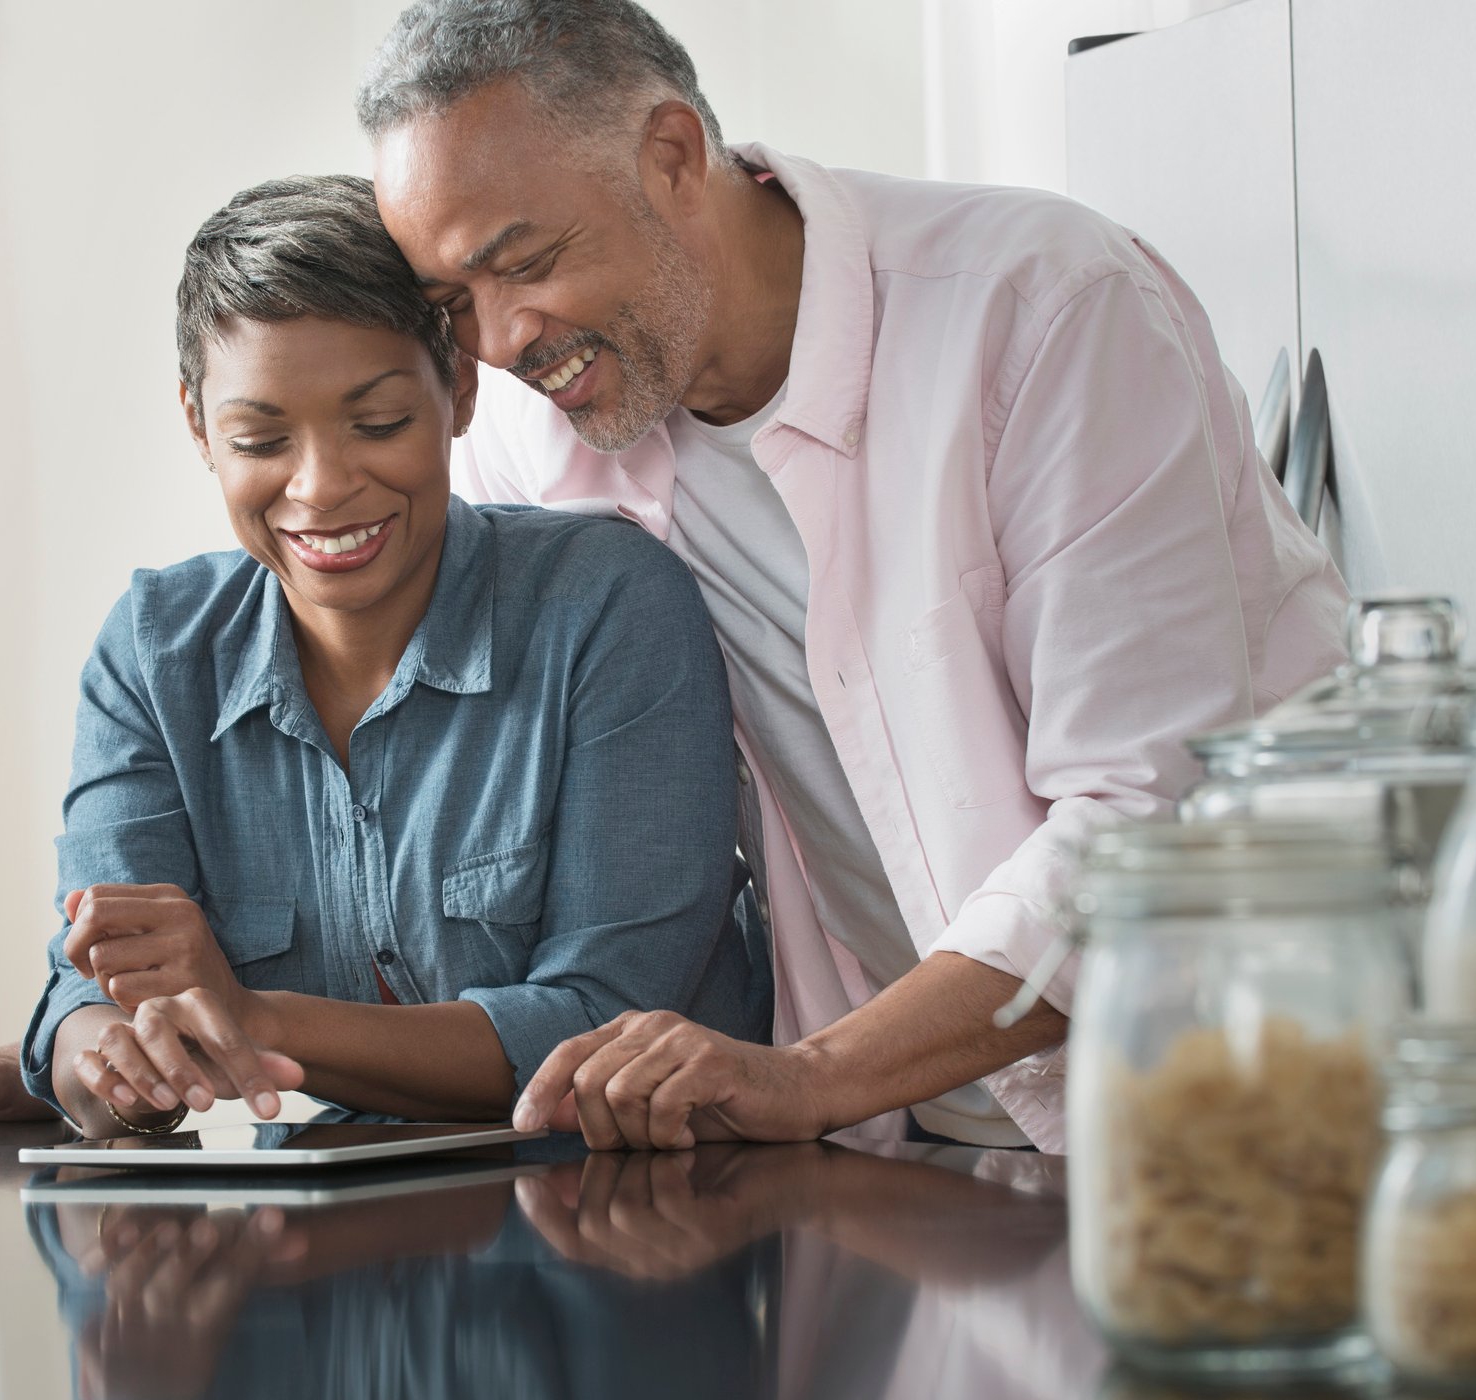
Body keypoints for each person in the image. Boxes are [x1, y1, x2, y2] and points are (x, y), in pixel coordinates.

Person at [355, 0, 1350, 1153]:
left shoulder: (1043, 309)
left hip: (1247, 1107)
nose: (498, 341)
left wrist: (811, 1077)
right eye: (449, 304)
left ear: (672, 156)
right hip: (921, 1139)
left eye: (523, 263)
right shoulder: (530, 433)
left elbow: (1142, 818)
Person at [0, 174, 766, 1139]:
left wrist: (243, 1018)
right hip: (337, 1252)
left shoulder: (608, 608)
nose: (320, 488)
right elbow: (91, 994)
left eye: (378, 421)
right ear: (199, 426)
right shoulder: (153, 652)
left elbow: (601, 1022)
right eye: (262, 439)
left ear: (457, 389)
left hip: (636, 1238)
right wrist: (106, 1065)